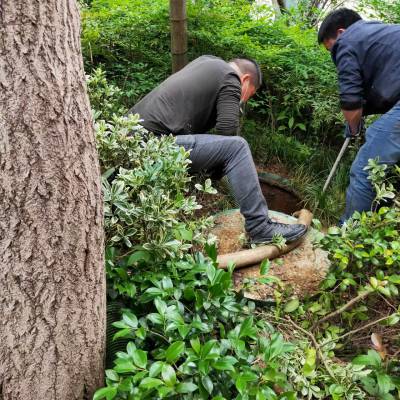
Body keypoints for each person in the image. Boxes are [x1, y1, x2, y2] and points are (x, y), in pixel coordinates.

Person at [128, 55, 307, 243]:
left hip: (130, 143)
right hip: (152, 144)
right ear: (245, 80)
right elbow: (227, 130)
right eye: (248, 94)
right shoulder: (231, 77)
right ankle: (260, 226)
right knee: (237, 147)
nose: (243, 100)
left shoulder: (205, 62)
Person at [318, 9, 400, 223]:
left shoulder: (348, 40)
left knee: (366, 169)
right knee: (390, 173)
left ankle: (345, 241)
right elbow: (381, 94)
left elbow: (351, 100)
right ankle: (377, 231)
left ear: (341, 32)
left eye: (331, 49)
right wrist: (359, 116)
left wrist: (354, 129)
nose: (334, 56)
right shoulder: (380, 37)